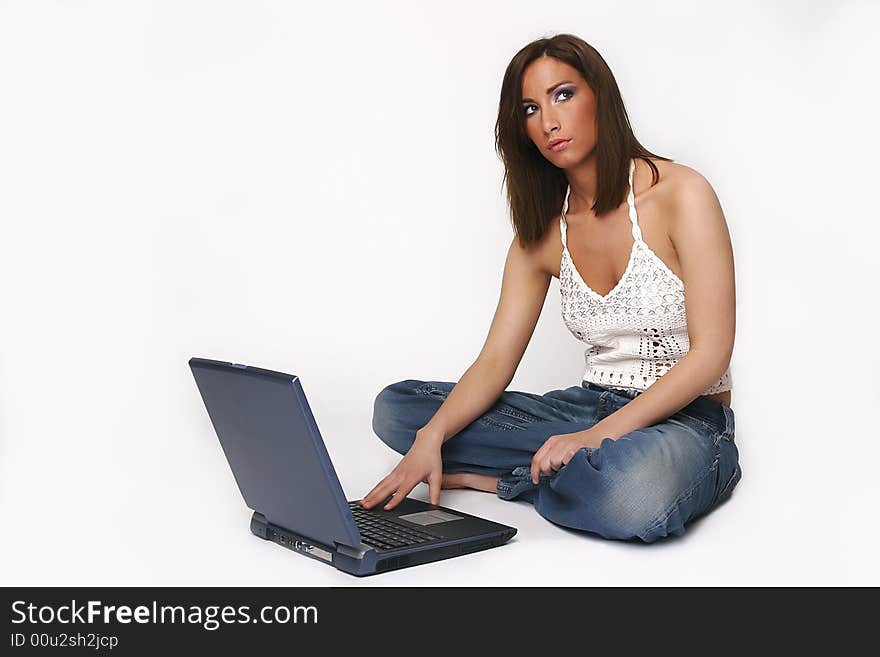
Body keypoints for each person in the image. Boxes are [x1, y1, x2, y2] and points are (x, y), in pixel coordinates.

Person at [358, 33, 741, 543]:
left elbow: (711, 354)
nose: (549, 122)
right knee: (398, 408)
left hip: (686, 422)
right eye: (530, 108)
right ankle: (569, 468)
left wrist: (595, 437)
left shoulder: (682, 193)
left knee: (634, 497)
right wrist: (430, 439)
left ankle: (502, 480)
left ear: (600, 96)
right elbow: (495, 363)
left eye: (564, 95)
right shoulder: (540, 236)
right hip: (587, 407)